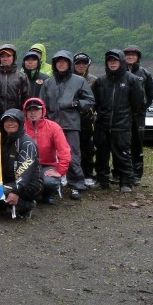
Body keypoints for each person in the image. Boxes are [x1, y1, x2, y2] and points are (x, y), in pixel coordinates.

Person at [42, 50, 95, 200]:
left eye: (64, 61)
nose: (61, 64)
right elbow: (42, 103)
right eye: (58, 61)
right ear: (54, 64)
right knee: (50, 156)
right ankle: (52, 184)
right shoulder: (48, 82)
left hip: (70, 123)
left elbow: (90, 100)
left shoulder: (79, 80)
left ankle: (76, 185)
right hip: (51, 124)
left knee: (73, 155)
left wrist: (78, 103)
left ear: (69, 64)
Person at [92, 50, 142, 193]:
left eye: (115, 61)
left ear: (121, 62)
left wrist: (126, 118)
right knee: (101, 153)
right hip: (103, 123)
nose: (112, 63)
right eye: (110, 61)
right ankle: (102, 180)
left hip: (122, 124)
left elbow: (137, 103)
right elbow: (95, 102)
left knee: (123, 154)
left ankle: (125, 182)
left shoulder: (131, 80)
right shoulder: (100, 81)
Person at [23, 98, 71, 205]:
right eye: (30, 110)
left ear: (43, 110)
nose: (33, 113)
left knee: (49, 182)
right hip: (26, 165)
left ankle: (48, 194)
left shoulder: (54, 127)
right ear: (25, 112)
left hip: (47, 165)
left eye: (36, 109)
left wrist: (60, 171)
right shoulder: (21, 127)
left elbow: (65, 151)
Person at [0, 109, 42, 219]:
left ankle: (26, 206)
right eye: (7, 121)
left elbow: (24, 172)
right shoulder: (5, 140)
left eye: (13, 121)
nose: (10, 124)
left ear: (21, 123)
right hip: (11, 180)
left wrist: (15, 191)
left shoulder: (27, 143)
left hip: (30, 185)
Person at [123, 45, 153, 185]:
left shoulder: (145, 74)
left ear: (138, 57)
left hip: (138, 115)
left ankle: (137, 174)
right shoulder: (119, 72)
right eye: (128, 54)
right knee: (122, 143)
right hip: (122, 114)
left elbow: (150, 95)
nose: (130, 57)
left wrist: (141, 108)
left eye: (133, 55)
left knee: (137, 143)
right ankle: (121, 172)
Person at [0, 44, 29, 132]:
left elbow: (26, 99)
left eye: (8, 56)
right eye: (2, 56)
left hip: (16, 118)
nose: (5, 58)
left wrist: (24, 116)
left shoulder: (21, 76)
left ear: (13, 57)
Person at [73, 52, 98, 187]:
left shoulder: (94, 80)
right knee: (71, 148)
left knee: (87, 147)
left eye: (84, 63)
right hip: (71, 118)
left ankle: (88, 174)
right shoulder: (68, 78)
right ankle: (71, 174)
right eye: (78, 63)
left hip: (87, 119)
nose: (81, 66)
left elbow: (98, 100)